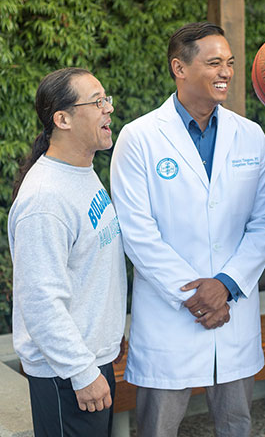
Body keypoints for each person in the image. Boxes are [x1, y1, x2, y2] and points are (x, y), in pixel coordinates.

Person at [110, 21, 265, 437]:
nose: (225, 71)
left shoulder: (251, 136)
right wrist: (196, 293)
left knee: (236, 424)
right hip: (173, 313)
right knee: (157, 429)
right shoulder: (139, 138)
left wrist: (225, 284)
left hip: (232, 309)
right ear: (179, 68)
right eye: (213, 63)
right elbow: (137, 232)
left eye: (230, 63)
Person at [8, 68, 127, 436]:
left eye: (106, 99)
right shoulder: (45, 200)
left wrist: (108, 334)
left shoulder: (80, 171)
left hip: (90, 359)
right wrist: (82, 371)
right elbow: (41, 301)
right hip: (67, 374)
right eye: (97, 102)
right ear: (62, 119)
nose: (108, 109)